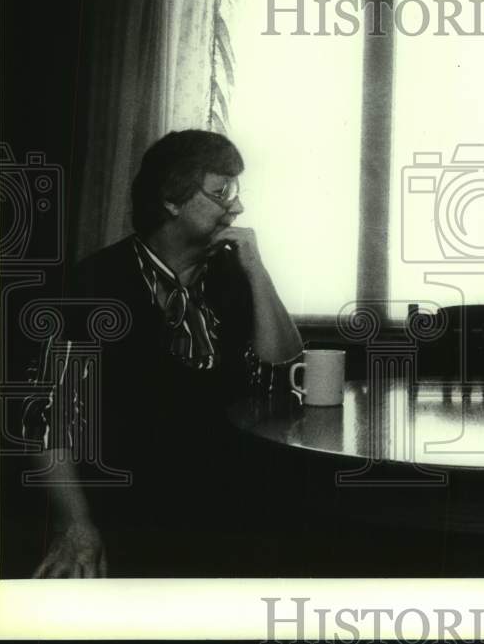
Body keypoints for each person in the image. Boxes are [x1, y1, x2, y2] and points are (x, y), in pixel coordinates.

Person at [24, 130, 303, 577]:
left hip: (233, 504)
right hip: (134, 511)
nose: (237, 206)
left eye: (236, 191)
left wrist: (257, 269)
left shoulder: (232, 273)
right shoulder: (96, 282)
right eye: (221, 192)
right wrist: (75, 523)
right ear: (172, 201)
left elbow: (280, 364)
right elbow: (47, 420)